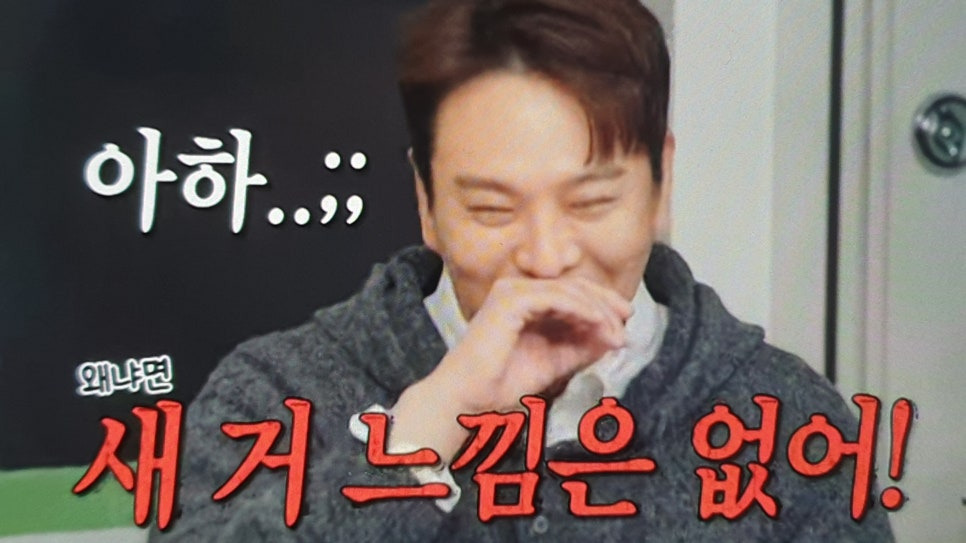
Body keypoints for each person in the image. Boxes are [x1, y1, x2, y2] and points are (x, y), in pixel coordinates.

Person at [152, 0, 894, 540]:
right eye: (492, 210)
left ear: (661, 183)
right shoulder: (272, 396)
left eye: (592, 202)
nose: (546, 256)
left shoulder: (786, 422)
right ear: (426, 202)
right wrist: (421, 436)